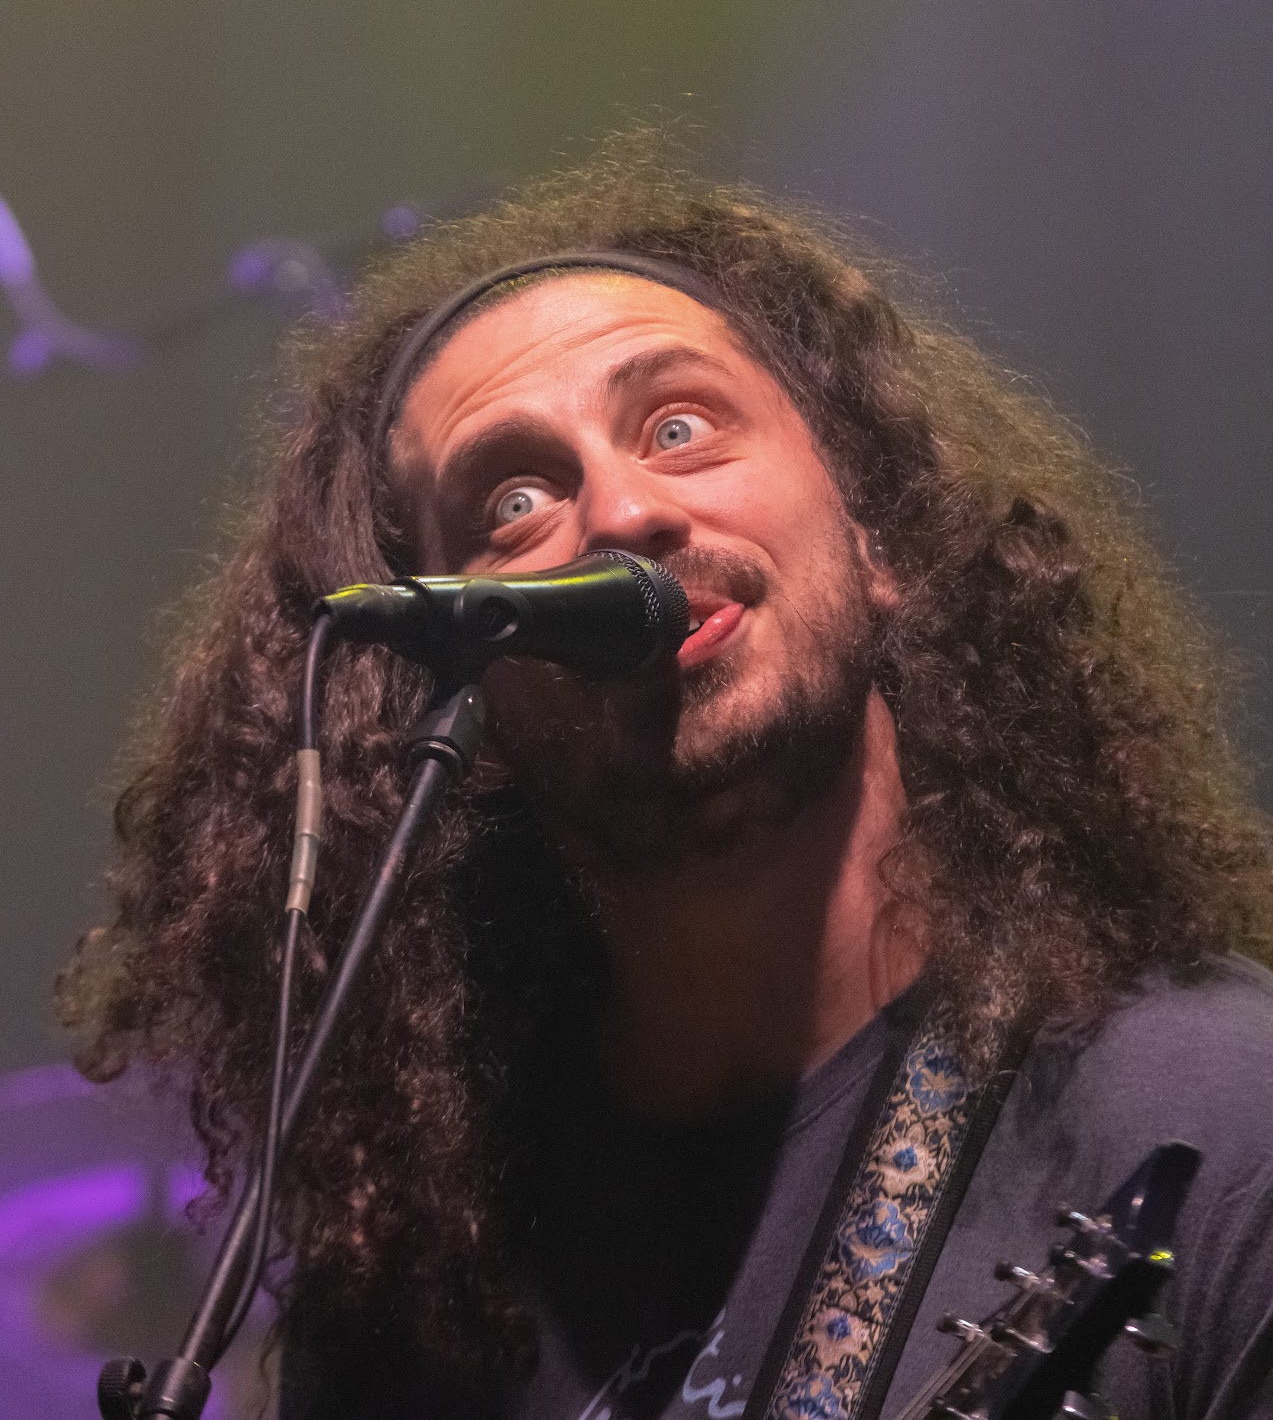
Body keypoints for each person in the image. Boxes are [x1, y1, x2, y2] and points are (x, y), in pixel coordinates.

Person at [59, 139, 1273, 1420]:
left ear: (878, 539)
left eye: (679, 427)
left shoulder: (1206, 1116)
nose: (625, 514)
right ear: (455, 698)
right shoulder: (415, 1287)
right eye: (513, 501)